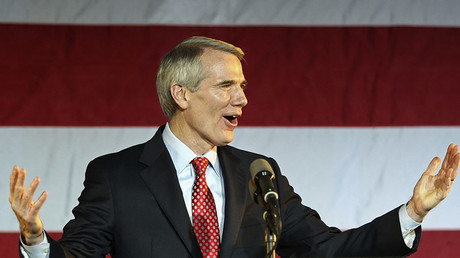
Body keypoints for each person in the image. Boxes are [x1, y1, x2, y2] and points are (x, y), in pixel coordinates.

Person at [9, 36, 459, 257]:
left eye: (242, 87)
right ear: (182, 95)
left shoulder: (258, 173)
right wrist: (34, 240)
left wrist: (412, 213)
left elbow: (326, 250)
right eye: (226, 86)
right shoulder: (117, 175)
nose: (242, 99)